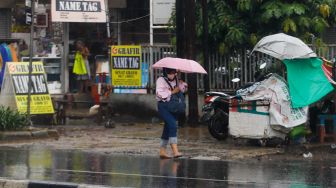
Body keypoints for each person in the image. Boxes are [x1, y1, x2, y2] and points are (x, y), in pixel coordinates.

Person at [156, 68, 187, 159]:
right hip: (163, 106)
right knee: (173, 125)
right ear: (165, 72)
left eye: (173, 72)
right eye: (170, 72)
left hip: (173, 106)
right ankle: (175, 151)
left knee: (167, 127)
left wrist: (181, 83)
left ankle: (162, 151)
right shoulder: (161, 80)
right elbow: (159, 94)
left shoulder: (177, 79)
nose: (171, 74)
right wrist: (173, 91)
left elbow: (183, 90)